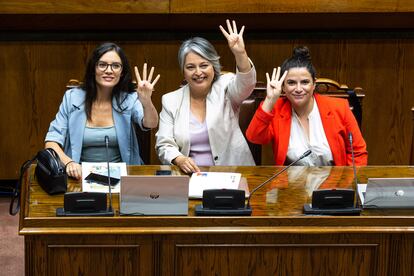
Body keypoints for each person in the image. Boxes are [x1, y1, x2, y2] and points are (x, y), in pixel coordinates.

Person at [45, 42, 160, 179]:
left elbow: (151, 124)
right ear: (93, 68)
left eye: (115, 66)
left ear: (122, 72)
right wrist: (69, 163)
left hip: (123, 177)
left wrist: (146, 101)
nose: (109, 70)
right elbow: (51, 142)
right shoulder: (72, 98)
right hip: (79, 177)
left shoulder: (129, 98)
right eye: (102, 64)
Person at [155, 20, 257, 173]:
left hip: (233, 172)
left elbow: (247, 85)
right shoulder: (170, 100)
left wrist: (240, 53)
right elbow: (164, 144)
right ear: (183, 71)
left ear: (213, 67)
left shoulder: (226, 86)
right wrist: (179, 158)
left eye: (204, 65)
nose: (198, 72)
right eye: (190, 67)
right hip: (190, 176)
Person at [246, 46, 368, 166]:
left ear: (314, 84)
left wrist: (347, 183)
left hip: (333, 184)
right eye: (291, 83)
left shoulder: (339, 107)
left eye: (305, 82)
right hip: (291, 184)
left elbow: (358, 153)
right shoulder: (276, 109)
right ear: (283, 86)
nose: (298, 89)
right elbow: (254, 137)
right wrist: (269, 100)